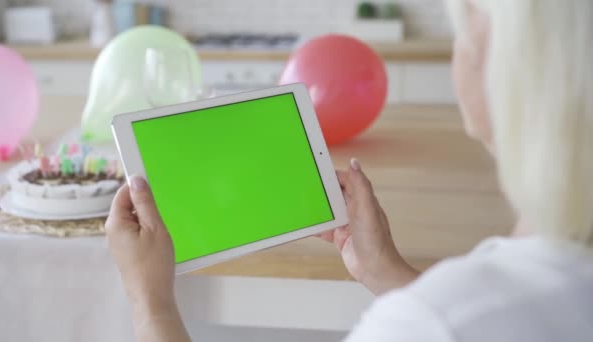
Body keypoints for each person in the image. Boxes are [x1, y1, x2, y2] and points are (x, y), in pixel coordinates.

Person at [105, 0, 593, 341]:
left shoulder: (430, 324)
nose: (457, 53)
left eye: (465, 31)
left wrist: (150, 300)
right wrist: (385, 271)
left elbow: (451, 325)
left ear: (515, 73)